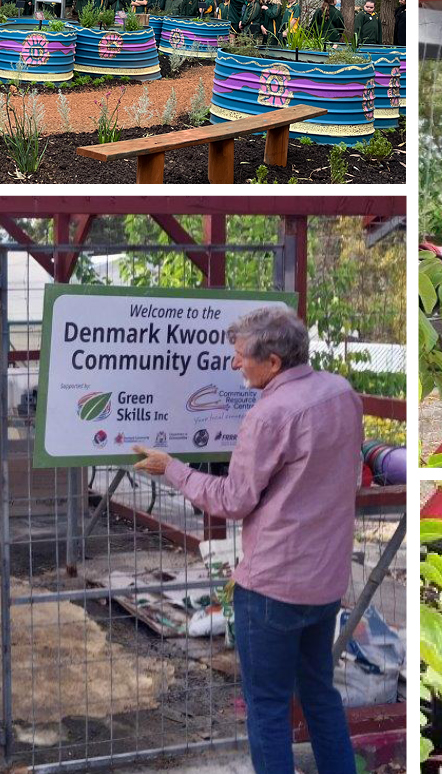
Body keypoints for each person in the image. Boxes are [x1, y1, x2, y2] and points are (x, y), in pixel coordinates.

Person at [130, 306, 360, 774]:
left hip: (273, 588)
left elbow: (233, 500)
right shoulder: (342, 393)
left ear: (272, 362)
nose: (234, 363)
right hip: (326, 583)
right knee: (320, 694)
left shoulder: (269, 415)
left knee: (268, 708)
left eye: (240, 355)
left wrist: (171, 468)